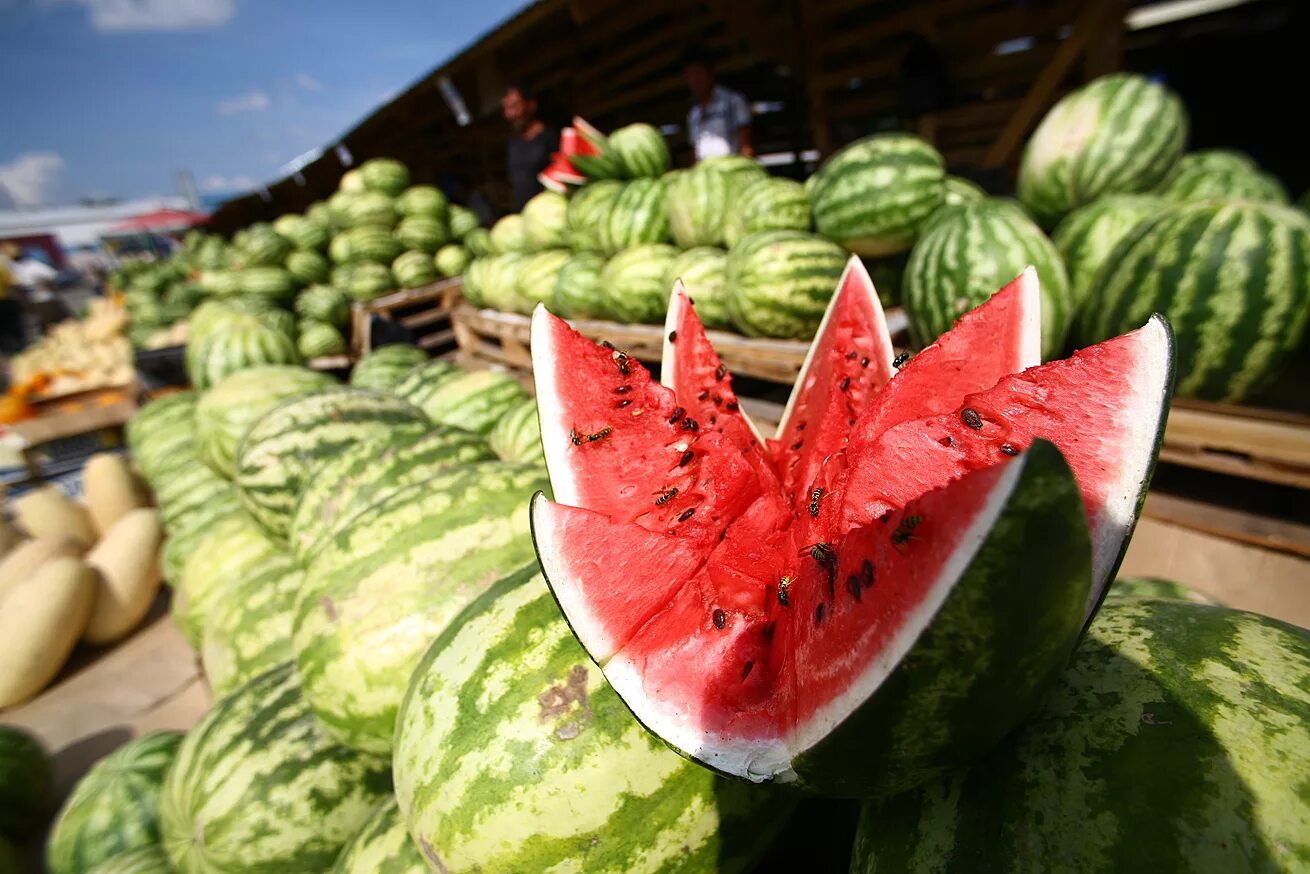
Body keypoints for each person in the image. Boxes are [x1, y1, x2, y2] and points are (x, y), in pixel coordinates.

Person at [684, 47, 753, 161]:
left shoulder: (733, 102)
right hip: (707, 176)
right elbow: (695, 153)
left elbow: (746, 148)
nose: (695, 80)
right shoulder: (693, 115)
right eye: (690, 75)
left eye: (699, 73)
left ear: (710, 72)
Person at [502, 82, 560, 212]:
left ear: (531, 105)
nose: (509, 114)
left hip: (550, 211)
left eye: (514, 106)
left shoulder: (549, 137)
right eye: (506, 108)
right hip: (525, 215)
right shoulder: (513, 142)